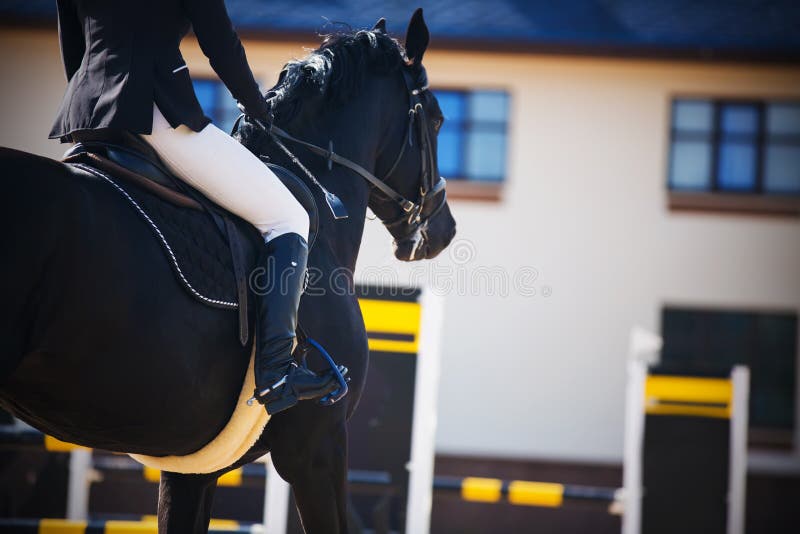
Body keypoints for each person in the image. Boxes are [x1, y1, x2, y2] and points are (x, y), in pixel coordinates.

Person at [49, 0, 340, 415]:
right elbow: (219, 42)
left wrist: (93, 107)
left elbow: (73, 40)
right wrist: (255, 107)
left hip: (88, 111)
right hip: (155, 108)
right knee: (288, 217)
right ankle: (277, 373)